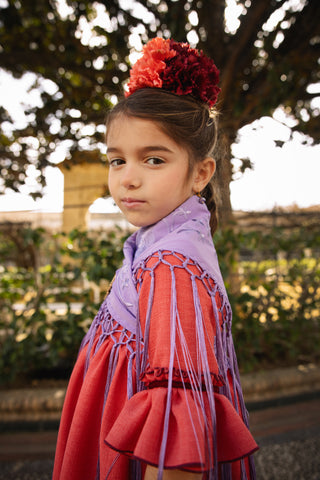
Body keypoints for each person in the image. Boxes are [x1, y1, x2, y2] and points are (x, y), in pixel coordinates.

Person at [53, 37, 258, 480]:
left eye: (153, 159)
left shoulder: (171, 266)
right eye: (116, 160)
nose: (128, 178)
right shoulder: (163, 240)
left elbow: (176, 430)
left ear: (200, 172)